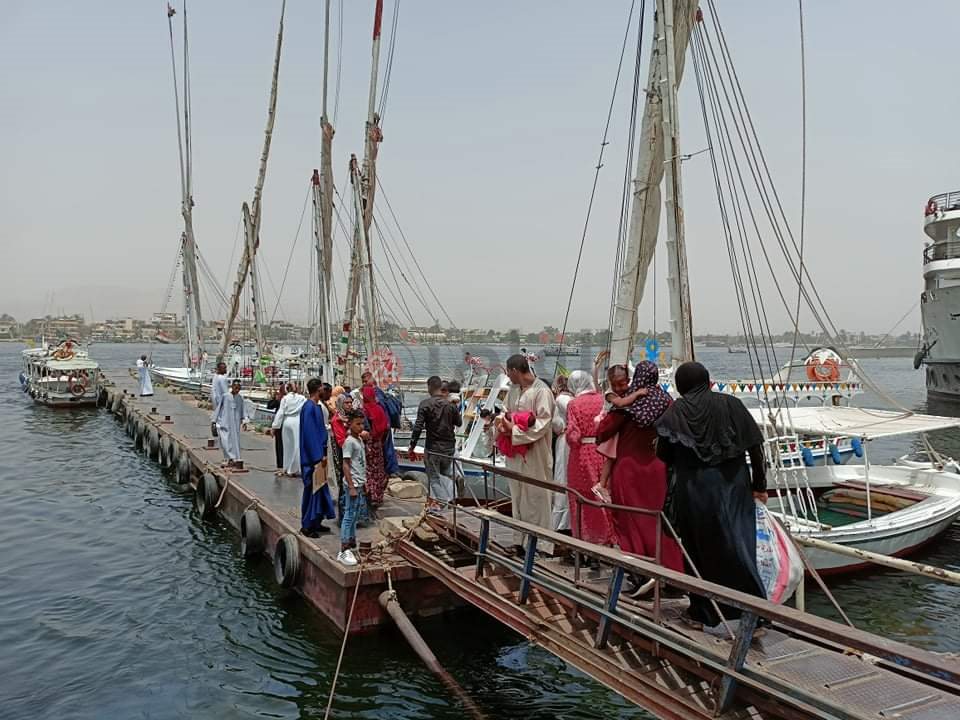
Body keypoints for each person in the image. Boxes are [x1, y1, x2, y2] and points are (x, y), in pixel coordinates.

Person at [655, 361, 767, 629]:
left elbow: (664, 454)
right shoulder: (731, 404)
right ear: (707, 380)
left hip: (695, 490)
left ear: (681, 385)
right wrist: (759, 486)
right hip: (734, 487)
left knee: (698, 550)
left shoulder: (678, 411)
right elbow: (755, 447)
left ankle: (702, 611)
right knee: (739, 546)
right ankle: (754, 612)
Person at [595, 362, 682, 588]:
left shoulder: (629, 405)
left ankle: (640, 572)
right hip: (658, 469)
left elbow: (603, 430)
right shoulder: (666, 401)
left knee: (628, 520)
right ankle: (673, 574)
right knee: (659, 522)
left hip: (629, 470)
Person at [498, 354, 555, 552]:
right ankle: (518, 541)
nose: (509, 378)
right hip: (515, 452)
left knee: (538, 496)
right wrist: (504, 424)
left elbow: (543, 423)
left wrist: (515, 430)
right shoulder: (514, 389)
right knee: (518, 496)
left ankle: (542, 545)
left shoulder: (542, 391)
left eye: (509, 373)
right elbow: (504, 410)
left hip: (535, 452)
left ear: (515, 371)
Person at [564, 370, 615, 546]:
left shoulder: (574, 404)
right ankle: (608, 537)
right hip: (603, 452)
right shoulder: (603, 400)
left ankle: (586, 540)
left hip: (582, 456)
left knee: (582, 497)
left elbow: (573, 436)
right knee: (603, 493)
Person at [408, 375, 462, 506]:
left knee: (434, 478)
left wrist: (412, 446)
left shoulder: (425, 404)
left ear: (430, 387)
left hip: (433, 448)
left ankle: (443, 502)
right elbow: (459, 423)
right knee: (444, 473)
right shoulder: (450, 406)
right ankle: (456, 478)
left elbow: (418, 427)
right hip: (449, 446)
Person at [299, 378, 336, 537]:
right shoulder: (309, 408)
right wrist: (317, 456)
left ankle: (317, 521)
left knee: (320, 490)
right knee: (312, 491)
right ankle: (307, 525)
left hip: (319, 454)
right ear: (317, 389)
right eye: (322, 387)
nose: (324, 390)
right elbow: (309, 434)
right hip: (313, 458)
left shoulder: (317, 407)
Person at [331, 392, 371, 526]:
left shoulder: (352, 417)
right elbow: (341, 440)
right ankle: (344, 518)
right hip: (344, 455)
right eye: (346, 403)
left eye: (350, 402)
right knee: (346, 486)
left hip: (355, 455)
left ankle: (358, 517)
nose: (349, 405)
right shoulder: (337, 420)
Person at [338, 410, 368, 566]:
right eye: (358, 424)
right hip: (353, 483)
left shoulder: (359, 440)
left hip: (359, 482)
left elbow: (361, 463)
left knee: (355, 514)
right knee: (349, 515)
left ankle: (351, 542)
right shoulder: (349, 442)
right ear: (350, 424)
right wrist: (351, 486)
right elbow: (346, 464)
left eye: (362, 423)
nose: (361, 426)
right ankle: (343, 548)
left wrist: (364, 482)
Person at [361, 371, 400, 477]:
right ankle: (390, 471)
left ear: (371, 380)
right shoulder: (378, 393)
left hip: (380, 429)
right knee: (386, 449)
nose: (364, 383)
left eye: (365, 381)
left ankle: (390, 471)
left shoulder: (376, 396)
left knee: (384, 450)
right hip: (384, 426)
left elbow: (376, 414)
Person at [360, 385, 390, 507]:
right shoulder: (379, 409)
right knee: (378, 470)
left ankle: (371, 495)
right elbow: (386, 427)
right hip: (378, 443)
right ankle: (378, 496)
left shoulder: (364, 410)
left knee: (369, 470)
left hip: (369, 443)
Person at [550, 375, 573, 533]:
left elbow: (556, 424)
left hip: (564, 440)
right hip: (575, 441)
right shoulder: (574, 399)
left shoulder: (559, 401)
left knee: (561, 476)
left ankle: (560, 522)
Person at [270, 383, 306, 477]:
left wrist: (275, 427)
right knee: (297, 445)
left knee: (287, 446)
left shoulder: (285, 399)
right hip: (297, 421)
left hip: (287, 421)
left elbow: (280, 413)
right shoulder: (302, 398)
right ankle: (295, 468)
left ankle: (287, 467)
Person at [213, 380, 247, 467]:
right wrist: (214, 420)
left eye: (239, 388)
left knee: (235, 441)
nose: (237, 389)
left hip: (235, 423)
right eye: (235, 387)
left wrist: (244, 421)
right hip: (225, 422)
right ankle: (229, 458)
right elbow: (218, 408)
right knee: (225, 440)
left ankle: (233, 459)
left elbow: (243, 411)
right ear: (232, 386)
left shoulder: (240, 398)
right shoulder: (225, 396)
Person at [266, 385, 285, 470]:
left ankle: (281, 465)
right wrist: (275, 398)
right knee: (281, 445)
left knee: (281, 446)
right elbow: (270, 405)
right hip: (282, 425)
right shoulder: (280, 400)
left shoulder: (283, 400)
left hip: (282, 425)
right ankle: (281, 465)